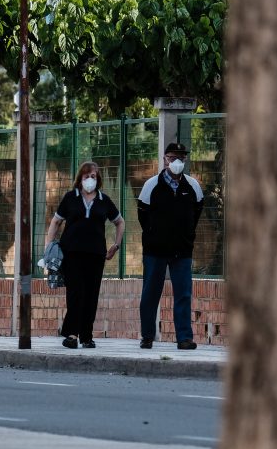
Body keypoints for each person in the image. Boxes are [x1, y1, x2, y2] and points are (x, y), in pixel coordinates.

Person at [45, 162, 125, 349]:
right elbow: (56, 221)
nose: (90, 180)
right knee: (75, 293)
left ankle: (87, 336)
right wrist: (48, 247)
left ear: (98, 180)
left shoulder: (104, 200)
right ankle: (72, 334)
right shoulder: (70, 198)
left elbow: (120, 222)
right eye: (86, 176)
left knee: (91, 294)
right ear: (80, 179)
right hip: (71, 253)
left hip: (96, 254)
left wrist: (116, 244)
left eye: (94, 176)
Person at [136, 143, 204, 350]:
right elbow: (142, 215)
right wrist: (154, 234)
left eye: (181, 158)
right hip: (155, 251)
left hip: (182, 250)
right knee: (150, 293)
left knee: (183, 294)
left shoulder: (192, 186)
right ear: (165, 159)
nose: (177, 162)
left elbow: (197, 212)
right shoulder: (151, 185)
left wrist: (187, 236)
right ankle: (147, 335)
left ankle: (184, 337)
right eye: (173, 157)